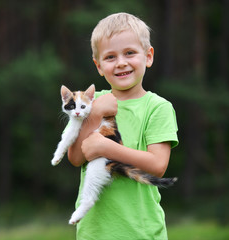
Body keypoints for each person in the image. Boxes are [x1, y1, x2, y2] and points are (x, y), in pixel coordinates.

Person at [67, 12, 179, 239]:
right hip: (94, 232)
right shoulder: (90, 103)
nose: (121, 63)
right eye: (110, 57)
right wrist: (96, 112)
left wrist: (107, 149)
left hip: (142, 232)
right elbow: (76, 157)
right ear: (98, 66)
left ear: (148, 56)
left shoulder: (157, 107)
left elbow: (157, 165)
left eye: (129, 53)